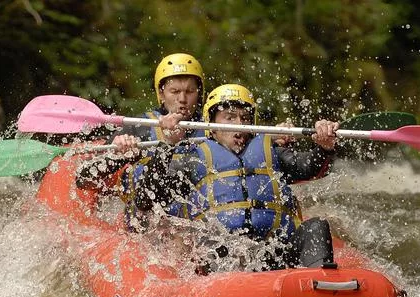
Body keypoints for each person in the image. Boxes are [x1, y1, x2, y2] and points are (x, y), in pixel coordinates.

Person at [128, 83, 340, 271]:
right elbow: (148, 198)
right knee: (216, 245)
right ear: (211, 126)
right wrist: (168, 144)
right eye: (229, 118)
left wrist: (323, 147)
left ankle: (322, 292)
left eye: (244, 119)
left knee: (316, 226)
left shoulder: (271, 152)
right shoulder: (193, 159)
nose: (238, 126)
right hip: (224, 254)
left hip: (276, 249)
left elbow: (309, 168)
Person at [76, 52, 206, 194]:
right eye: (174, 91)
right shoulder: (140, 127)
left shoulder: (212, 130)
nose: (182, 98)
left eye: (190, 91)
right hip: (147, 211)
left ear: (199, 94)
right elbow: (83, 179)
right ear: (161, 95)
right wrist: (118, 157)